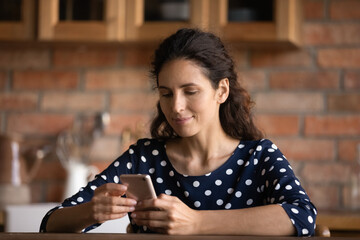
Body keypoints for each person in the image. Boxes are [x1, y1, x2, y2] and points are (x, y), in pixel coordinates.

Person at [40, 28, 317, 236]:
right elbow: (50, 222)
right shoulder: (144, 158)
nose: (176, 107)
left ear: (221, 90)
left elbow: (303, 217)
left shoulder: (259, 156)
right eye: (166, 94)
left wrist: (196, 222)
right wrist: (90, 212)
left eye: (190, 91)